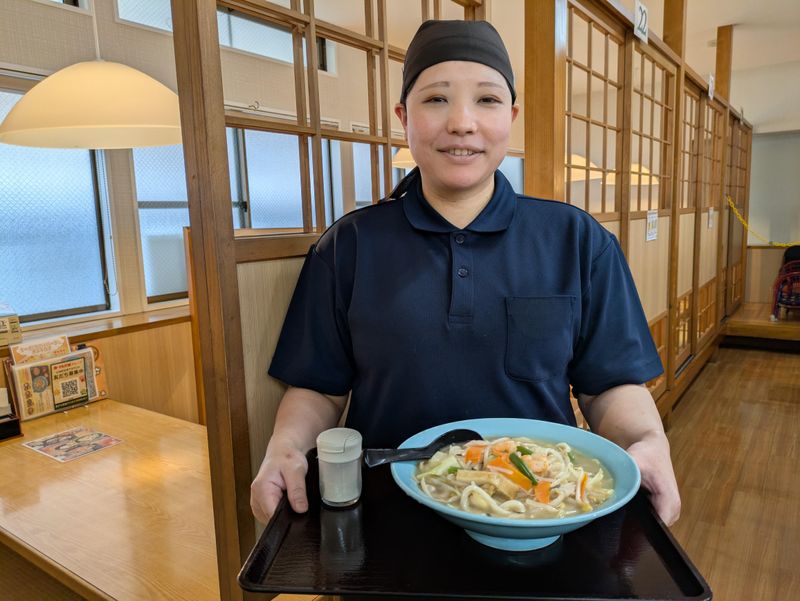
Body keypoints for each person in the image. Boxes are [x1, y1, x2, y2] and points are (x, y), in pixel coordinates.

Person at [251, 20, 681, 527]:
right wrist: (285, 447)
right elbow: (319, 388)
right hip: (388, 515)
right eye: (436, 99)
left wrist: (647, 441)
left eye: (487, 100)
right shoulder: (349, 244)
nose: (461, 122)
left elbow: (608, 385)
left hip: (541, 512)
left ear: (511, 116)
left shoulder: (577, 240)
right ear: (403, 117)